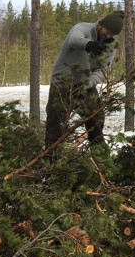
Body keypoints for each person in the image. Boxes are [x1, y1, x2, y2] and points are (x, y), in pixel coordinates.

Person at [45, 10, 125, 152]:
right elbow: (74, 40)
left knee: (96, 118)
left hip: (85, 84)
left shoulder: (109, 46)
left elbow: (102, 70)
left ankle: (100, 156)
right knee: (55, 123)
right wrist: (89, 45)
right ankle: (52, 160)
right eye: (106, 32)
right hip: (62, 82)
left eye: (111, 35)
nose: (107, 36)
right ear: (101, 24)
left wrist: (88, 83)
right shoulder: (82, 28)